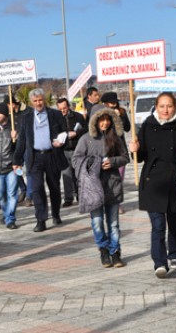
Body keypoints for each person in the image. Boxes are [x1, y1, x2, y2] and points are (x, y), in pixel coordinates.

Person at [129, 92, 176, 278]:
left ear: (175, 107)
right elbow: (142, 156)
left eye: (169, 106)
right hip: (152, 180)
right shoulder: (147, 125)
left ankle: (175, 253)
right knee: (158, 225)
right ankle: (159, 263)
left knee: (174, 220)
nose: (166, 110)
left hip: (174, 179)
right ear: (156, 107)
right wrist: (135, 150)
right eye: (162, 106)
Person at [73, 106, 129, 268]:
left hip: (112, 185)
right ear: (95, 120)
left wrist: (112, 162)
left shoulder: (116, 138)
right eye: (101, 119)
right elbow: (76, 160)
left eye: (108, 119)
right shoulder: (85, 139)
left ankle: (115, 252)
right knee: (97, 221)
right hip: (93, 188)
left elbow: (125, 157)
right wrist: (93, 164)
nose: (105, 123)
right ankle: (103, 250)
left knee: (113, 223)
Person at [13, 88, 68, 232]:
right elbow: (22, 140)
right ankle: (41, 220)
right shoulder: (25, 117)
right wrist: (16, 160)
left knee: (54, 187)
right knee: (37, 189)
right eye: (35, 101)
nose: (38, 103)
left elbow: (64, 133)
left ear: (44, 100)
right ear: (31, 102)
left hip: (52, 155)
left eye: (40, 100)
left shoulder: (55, 114)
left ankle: (56, 213)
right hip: (35, 157)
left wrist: (61, 141)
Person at [99, 92, 131, 214]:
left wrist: (120, 118)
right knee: (105, 179)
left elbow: (127, 128)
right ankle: (105, 201)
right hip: (106, 149)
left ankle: (117, 203)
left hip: (119, 149)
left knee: (119, 178)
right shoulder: (102, 114)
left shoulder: (121, 111)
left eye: (115, 102)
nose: (114, 104)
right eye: (111, 102)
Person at [56, 97, 87, 207]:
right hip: (63, 150)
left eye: (64, 108)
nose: (63, 111)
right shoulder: (57, 118)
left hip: (77, 150)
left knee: (79, 174)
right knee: (66, 176)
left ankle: (80, 195)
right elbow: (54, 133)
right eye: (60, 109)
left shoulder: (78, 117)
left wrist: (76, 133)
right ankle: (68, 198)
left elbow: (86, 130)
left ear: (68, 106)